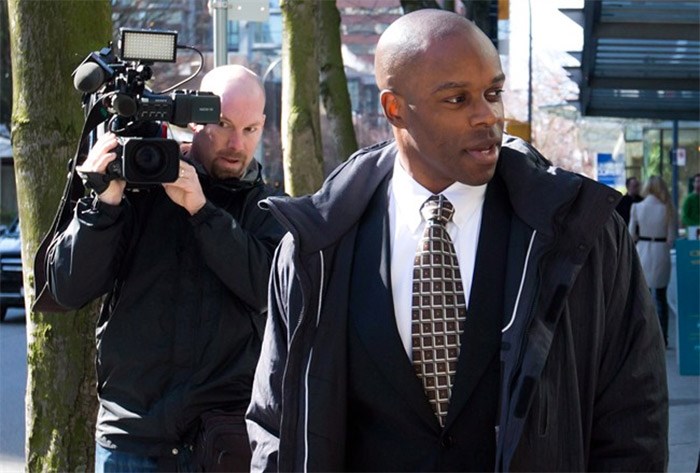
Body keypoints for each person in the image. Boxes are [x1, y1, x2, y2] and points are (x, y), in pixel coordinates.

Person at [246, 9, 668, 472]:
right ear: (395, 108)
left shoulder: (582, 233)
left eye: (493, 93)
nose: (487, 116)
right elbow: (276, 425)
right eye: (457, 99)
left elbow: (634, 417)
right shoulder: (317, 247)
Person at [46, 65, 285, 471]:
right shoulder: (139, 191)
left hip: (220, 442)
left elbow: (266, 289)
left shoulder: (268, 209)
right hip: (132, 441)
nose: (235, 143)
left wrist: (201, 211)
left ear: (263, 127)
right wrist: (103, 205)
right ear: (194, 120)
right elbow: (68, 288)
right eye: (223, 124)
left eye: (250, 130)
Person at [630, 175, 677, 347]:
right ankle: (663, 338)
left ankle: (645, 339)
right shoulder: (668, 209)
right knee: (661, 297)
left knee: (644, 296)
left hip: (642, 250)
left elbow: (631, 234)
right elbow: (671, 237)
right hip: (661, 252)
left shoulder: (636, 207)